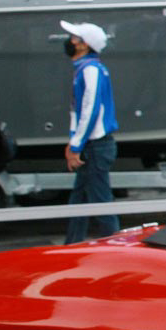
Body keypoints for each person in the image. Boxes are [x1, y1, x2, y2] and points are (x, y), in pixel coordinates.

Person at [60, 20, 119, 244]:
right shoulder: (88, 69)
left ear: (84, 45)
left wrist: (76, 144)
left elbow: (89, 109)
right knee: (81, 199)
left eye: (75, 38)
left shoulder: (90, 70)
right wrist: (75, 142)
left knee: (99, 201)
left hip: (95, 144)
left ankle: (115, 246)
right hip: (93, 144)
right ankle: (72, 244)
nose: (70, 42)